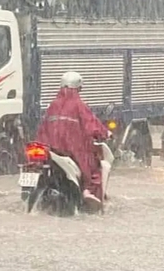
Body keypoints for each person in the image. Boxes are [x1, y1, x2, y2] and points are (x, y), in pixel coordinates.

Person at [35, 71, 111, 210]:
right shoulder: (79, 105)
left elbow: (43, 128)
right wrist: (105, 133)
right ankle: (87, 191)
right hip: (71, 149)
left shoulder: (53, 105)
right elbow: (92, 125)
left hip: (50, 148)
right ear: (78, 88)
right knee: (92, 166)